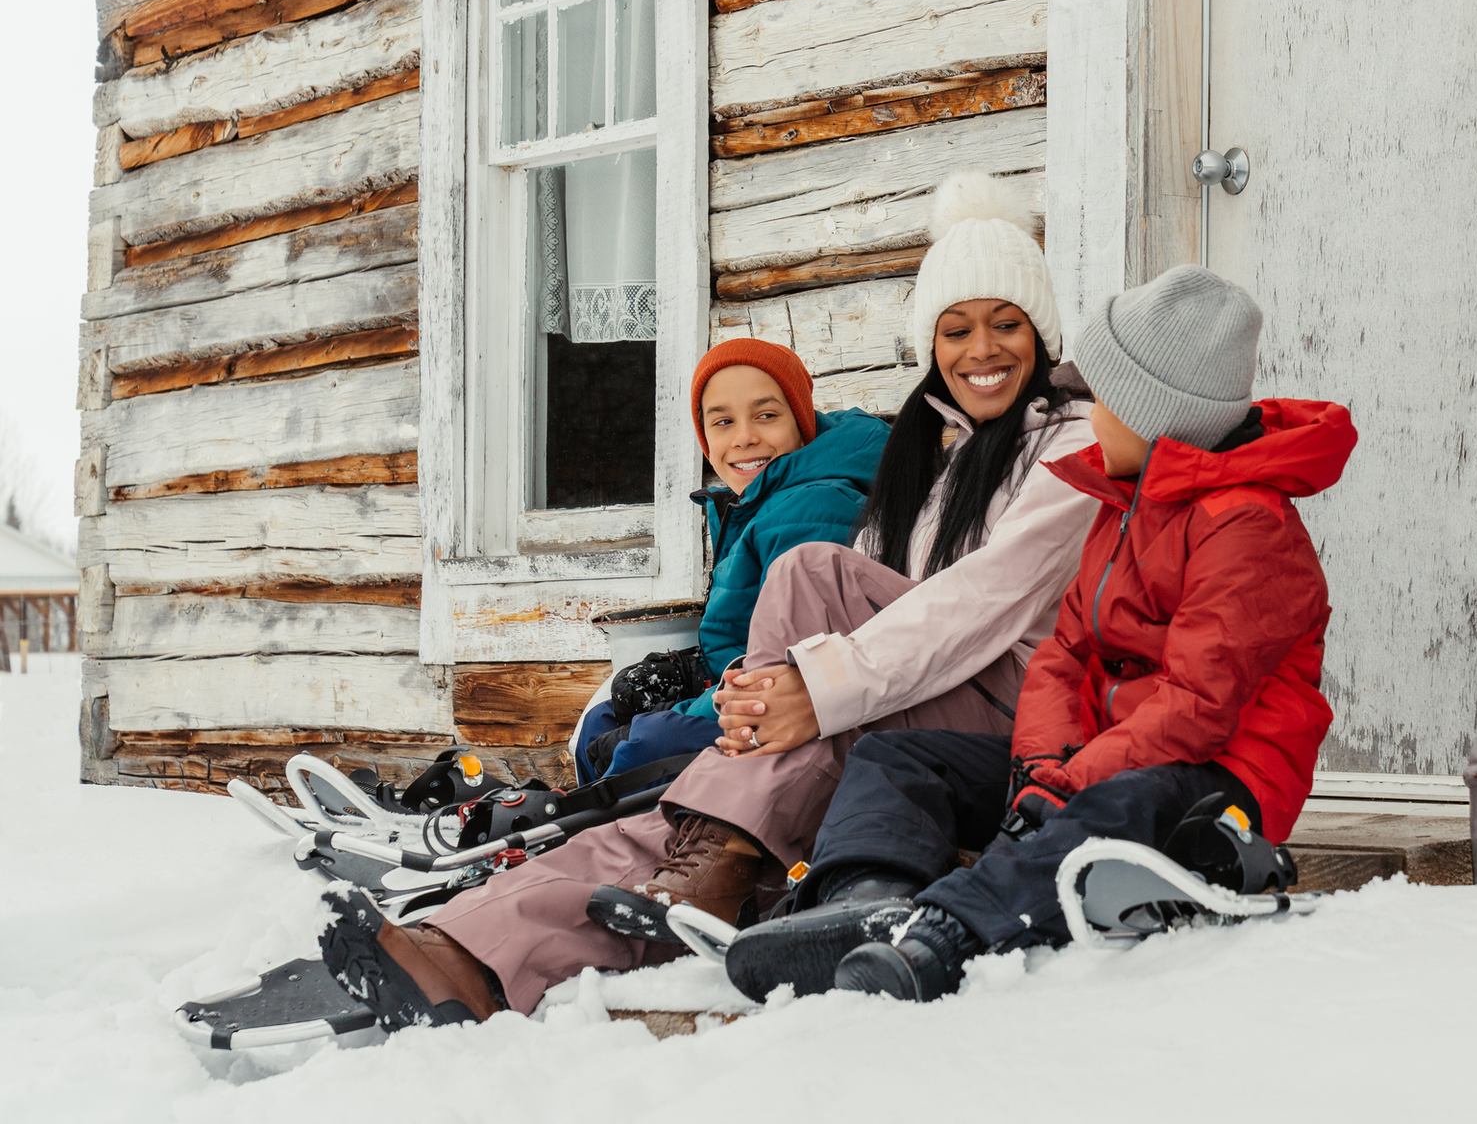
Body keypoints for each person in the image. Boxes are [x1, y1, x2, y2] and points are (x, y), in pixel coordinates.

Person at [317, 171, 1103, 1030]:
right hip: (899, 695)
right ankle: (461, 951)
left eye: (1005, 324)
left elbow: (973, 607)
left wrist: (811, 691)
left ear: (1042, 332)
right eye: (956, 329)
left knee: (805, 583)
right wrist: (770, 698)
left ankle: (712, 851)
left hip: (994, 721)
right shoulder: (937, 455)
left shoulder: (1073, 448)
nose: (980, 349)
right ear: (931, 344)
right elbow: (876, 611)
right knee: (686, 816)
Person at [723, 264, 1358, 1004]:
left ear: (1154, 413)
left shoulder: (1247, 527)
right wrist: (1040, 768)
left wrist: (1072, 780)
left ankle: (945, 934)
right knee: (899, 756)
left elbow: (1197, 705)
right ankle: (864, 894)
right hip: (1096, 761)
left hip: (1219, 782)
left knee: (1109, 810)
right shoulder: (1122, 506)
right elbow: (1063, 657)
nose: (1082, 412)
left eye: (1100, 397)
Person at [572, 339, 888, 782]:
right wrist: (692, 672)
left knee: (635, 748)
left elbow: (785, 667)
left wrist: (684, 709)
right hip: (736, 684)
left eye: (766, 415)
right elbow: (743, 631)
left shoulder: (814, 507)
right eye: (723, 422)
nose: (744, 437)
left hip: (786, 707)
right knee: (604, 719)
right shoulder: (759, 501)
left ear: (800, 420)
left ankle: (616, 839)